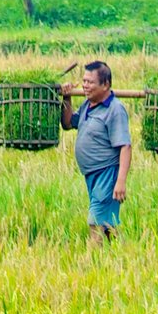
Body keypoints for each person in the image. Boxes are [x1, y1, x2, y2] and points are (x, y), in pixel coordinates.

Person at [61, 61, 132, 245]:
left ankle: (93, 264)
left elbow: (125, 146)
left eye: (90, 82)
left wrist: (120, 182)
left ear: (106, 84)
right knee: (107, 225)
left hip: (107, 173)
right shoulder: (87, 105)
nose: (85, 85)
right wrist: (67, 98)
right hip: (92, 175)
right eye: (84, 81)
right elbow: (68, 123)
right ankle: (119, 258)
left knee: (96, 222)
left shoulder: (114, 110)